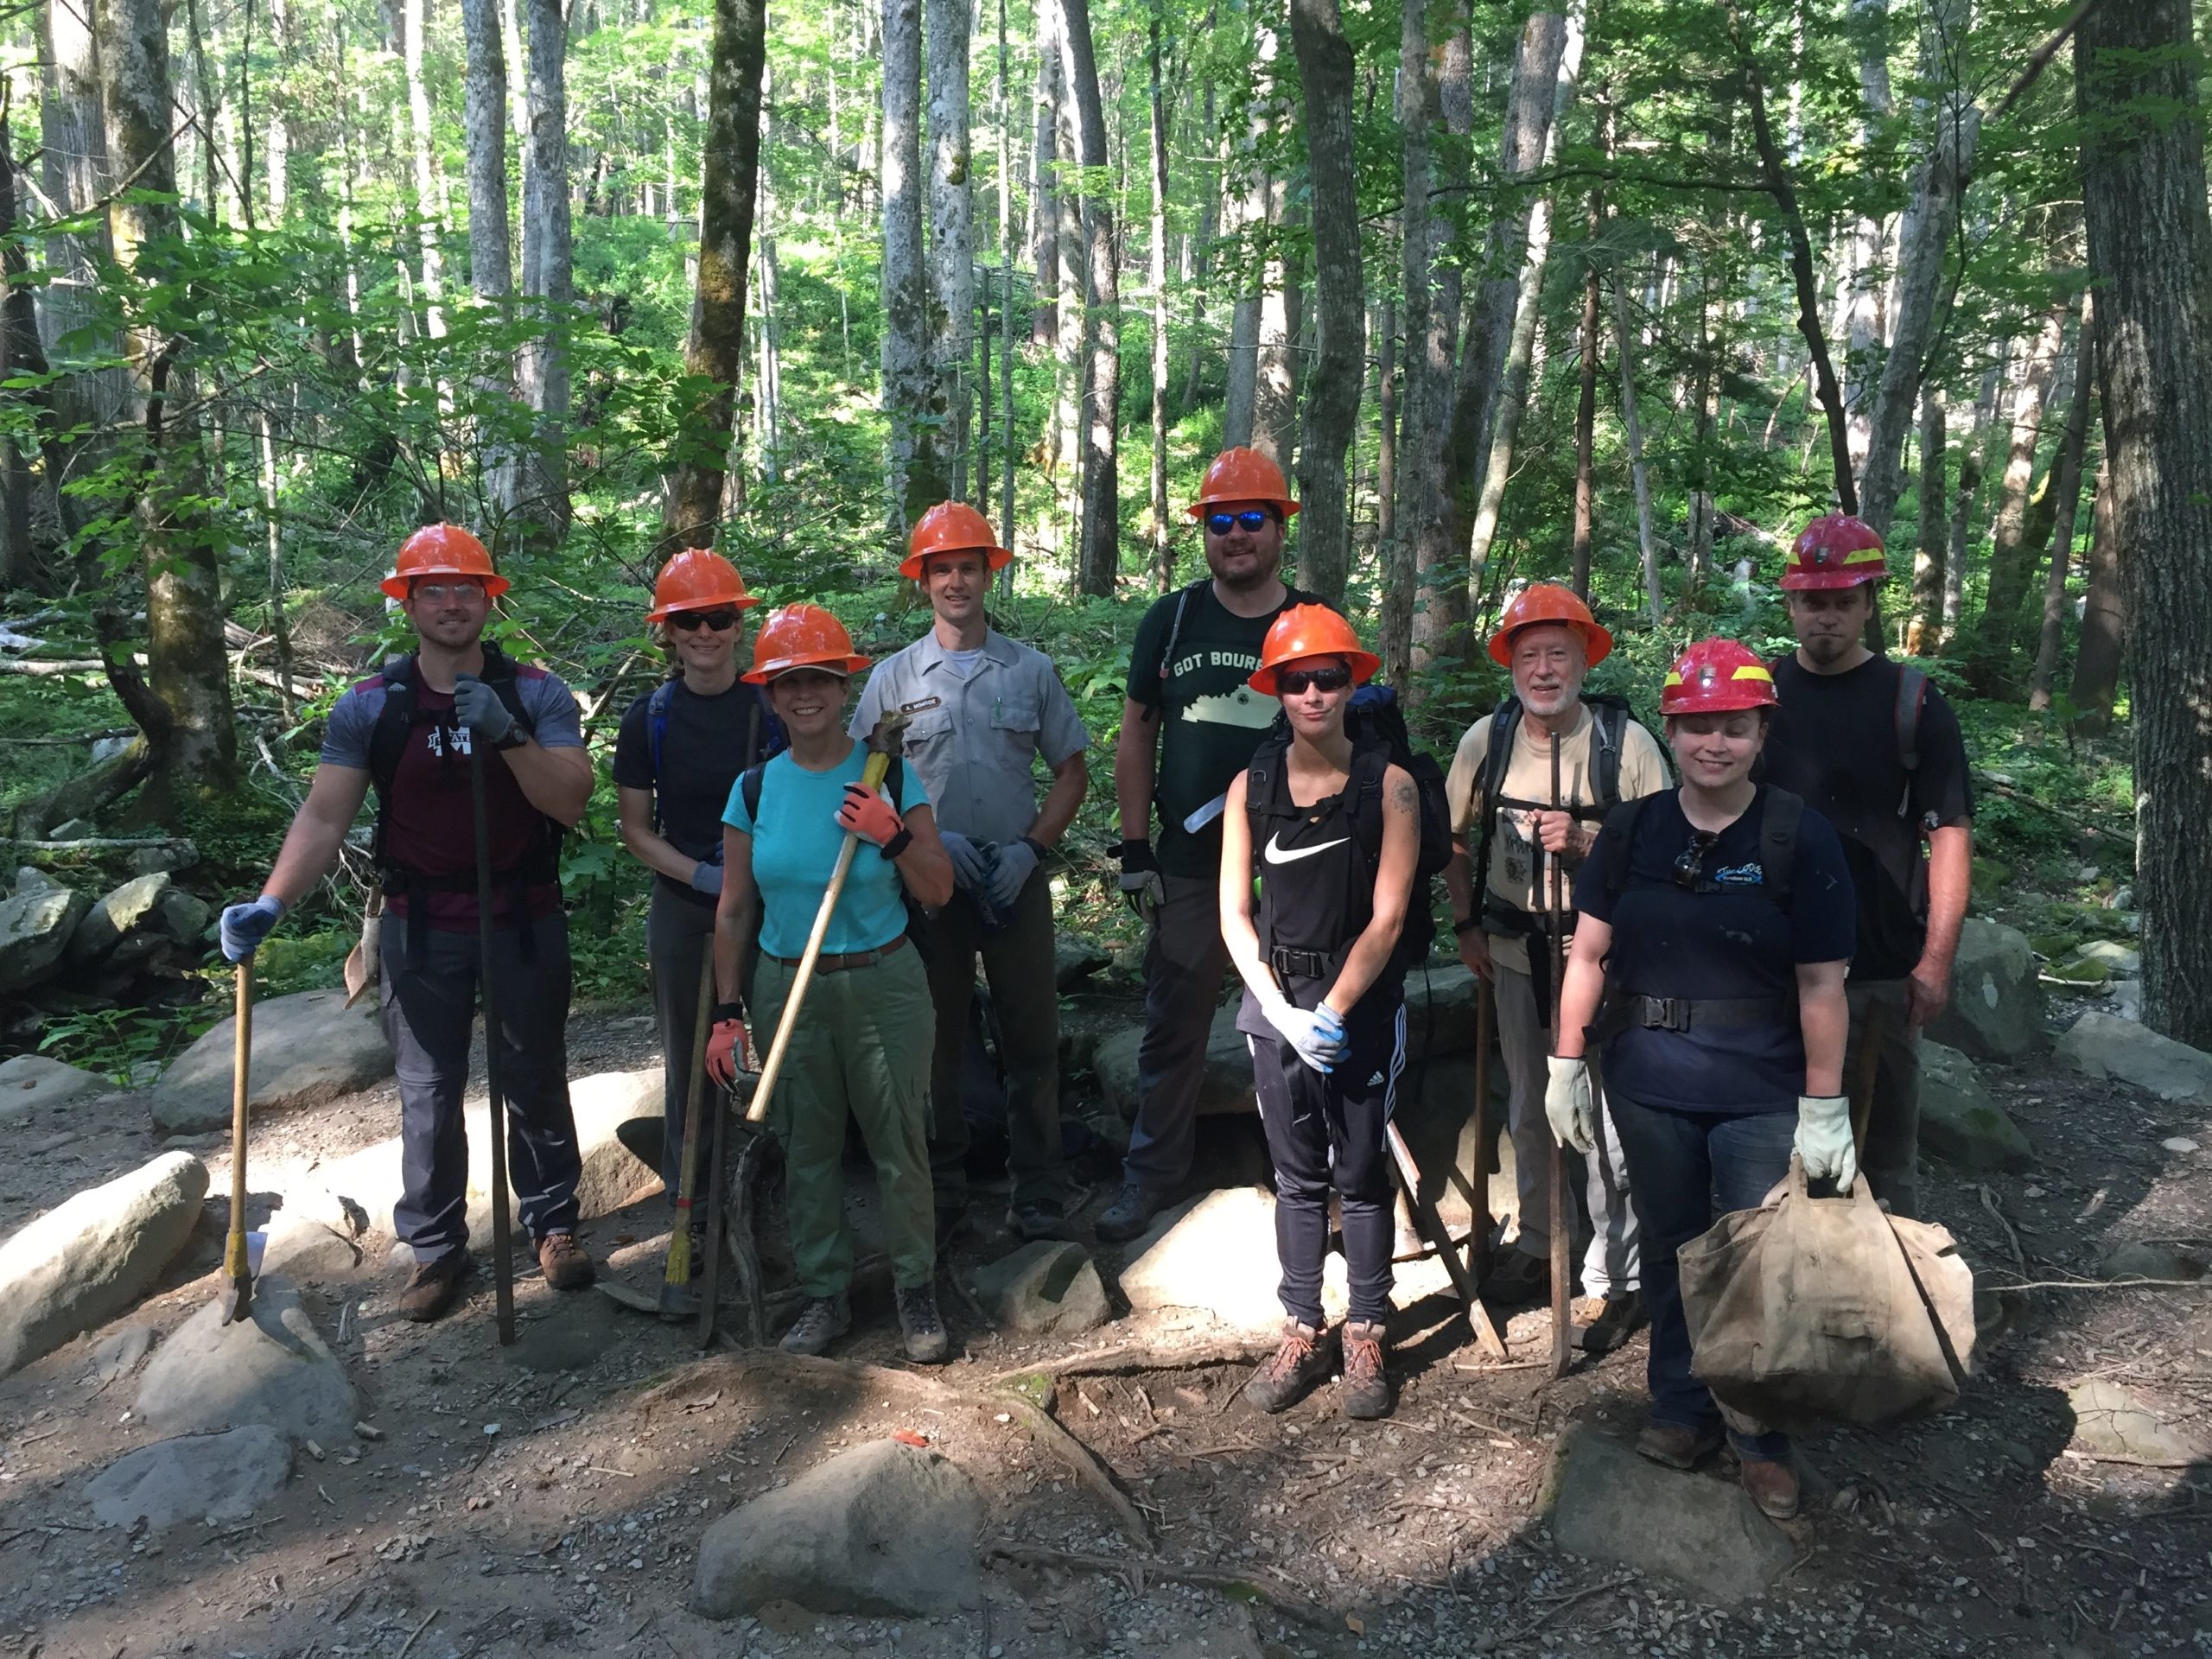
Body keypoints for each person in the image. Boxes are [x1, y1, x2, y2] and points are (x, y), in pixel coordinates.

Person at [218, 524, 597, 1322]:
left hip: (522, 919)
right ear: (409, 603)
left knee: (531, 1076)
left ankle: (554, 1225)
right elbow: (325, 816)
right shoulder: (374, 705)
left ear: (489, 600)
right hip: (421, 926)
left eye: (467, 589)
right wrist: (272, 901)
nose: (453, 602)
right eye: (435, 590)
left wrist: (508, 732)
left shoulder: (536, 693)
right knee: (427, 1091)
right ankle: (435, 1247)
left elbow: (568, 799)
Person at [1549, 639, 1858, 1521]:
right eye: (1694, 727)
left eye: (1731, 726)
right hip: (1648, 1083)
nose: (1711, 744)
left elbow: (1821, 982)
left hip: (1761, 1089)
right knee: (1676, 1248)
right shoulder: (1636, 831)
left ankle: (1759, 1434)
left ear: (1761, 731)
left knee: (1755, 1262)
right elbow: (1590, 951)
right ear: (1672, 731)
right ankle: (1681, 1407)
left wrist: (1825, 1104)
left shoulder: (1798, 836)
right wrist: (1567, 1060)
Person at [703, 604, 957, 1362]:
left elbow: (939, 889)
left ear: (844, 687)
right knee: (806, 1147)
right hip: (788, 987)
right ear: (770, 695)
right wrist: (726, 1013)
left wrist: (893, 833)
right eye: (788, 682)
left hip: (884, 980)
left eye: (820, 678)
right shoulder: (753, 790)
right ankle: (825, 1296)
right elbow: (735, 907)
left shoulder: (891, 774)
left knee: (898, 1142)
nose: (804, 693)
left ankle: (916, 1290)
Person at [849, 503, 1090, 1245]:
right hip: (928, 890)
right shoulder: (891, 680)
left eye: (968, 567)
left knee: (1031, 1038)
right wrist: (923, 841)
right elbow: (861, 783)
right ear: (921, 582)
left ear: (990, 575)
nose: (955, 581)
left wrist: (1031, 850)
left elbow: (1072, 772)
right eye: (941, 569)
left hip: (1013, 884)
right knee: (938, 1042)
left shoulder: (1031, 670)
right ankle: (946, 1190)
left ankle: (1039, 1189)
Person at [1098, 448, 1322, 1243]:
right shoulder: (1174, 619)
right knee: (1175, 1019)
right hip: (1191, 863)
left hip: (1298, 863)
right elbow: (1137, 735)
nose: (1236, 536)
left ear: (1279, 528)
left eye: (1251, 520)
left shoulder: (1310, 624)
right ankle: (1151, 1177)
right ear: (1203, 532)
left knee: (1299, 1018)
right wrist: (1134, 847)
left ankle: (1311, 1183)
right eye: (1220, 522)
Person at [1441, 583, 1669, 1354]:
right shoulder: (1487, 740)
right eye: (1529, 654)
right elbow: (1453, 839)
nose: (1544, 670)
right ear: (1511, 662)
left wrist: (1586, 845)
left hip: (1601, 962)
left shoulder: (1626, 745)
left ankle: (1619, 1274)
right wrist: (1466, 923)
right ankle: (1540, 1244)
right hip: (1514, 954)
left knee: (1605, 1119)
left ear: (1584, 658)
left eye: (1558, 654)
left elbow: (1672, 856)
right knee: (1531, 1108)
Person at [1219, 606, 1417, 1421]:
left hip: (1358, 1006)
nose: (1312, 693)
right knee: (1296, 1177)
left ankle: (1367, 1328)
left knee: (1362, 1173)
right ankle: (1303, 1324)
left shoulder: (1390, 785)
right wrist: (1280, 1010)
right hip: (1277, 1007)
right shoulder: (1251, 785)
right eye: (1295, 679)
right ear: (1274, 687)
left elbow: (1392, 916)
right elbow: (1235, 913)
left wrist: (1332, 1011)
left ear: (1351, 682)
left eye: (1328, 677)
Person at [1759, 515, 1974, 1220]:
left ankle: (1896, 1315)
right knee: (1774, 1153)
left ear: (1868, 604)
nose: (1826, 616)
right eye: (1812, 601)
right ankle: (1797, 1305)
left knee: (1885, 1159)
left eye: (1842, 601)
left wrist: (1935, 962)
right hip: (1773, 969)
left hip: (1881, 966)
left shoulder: (1914, 704)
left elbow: (1948, 835)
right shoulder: (1758, 699)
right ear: (1791, 604)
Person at [611, 549, 780, 1223]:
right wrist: (704, 875)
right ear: (669, 633)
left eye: (718, 618)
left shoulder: (771, 709)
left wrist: (744, 874)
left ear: (739, 626)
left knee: (780, 1033)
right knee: (692, 1053)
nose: (705, 633)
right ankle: (699, 1198)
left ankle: (784, 1182)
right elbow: (635, 828)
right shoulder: (648, 719)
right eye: (689, 622)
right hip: (683, 903)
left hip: (769, 900)